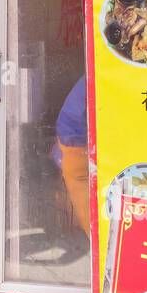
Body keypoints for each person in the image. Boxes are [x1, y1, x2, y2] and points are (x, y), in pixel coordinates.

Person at [55, 74, 90, 237]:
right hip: (77, 145)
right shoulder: (103, 73)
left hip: (71, 141)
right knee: (90, 217)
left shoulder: (95, 73)